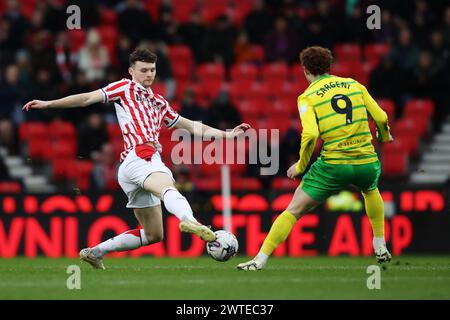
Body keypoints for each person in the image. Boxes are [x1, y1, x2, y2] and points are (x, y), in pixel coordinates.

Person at [23, 48, 250, 269]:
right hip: (142, 155)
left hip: (129, 168)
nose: (149, 74)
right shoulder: (124, 87)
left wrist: (227, 134)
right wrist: (49, 103)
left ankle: (95, 252)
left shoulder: (160, 102)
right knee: (167, 188)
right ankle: (192, 221)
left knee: (153, 234)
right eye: (143, 70)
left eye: (152, 69)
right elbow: (87, 99)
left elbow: (189, 125)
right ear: (131, 71)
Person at [237, 46, 393, 271]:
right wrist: (384, 136)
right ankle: (379, 243)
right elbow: (381, 116)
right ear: (329, 66)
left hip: (333, 165)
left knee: (293, 210)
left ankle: (259, 259)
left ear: (305, 70)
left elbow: (310, 134)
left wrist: (300, 166)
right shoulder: (354, 85)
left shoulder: (307, 96)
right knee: (370, 190)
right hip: (365, 161)